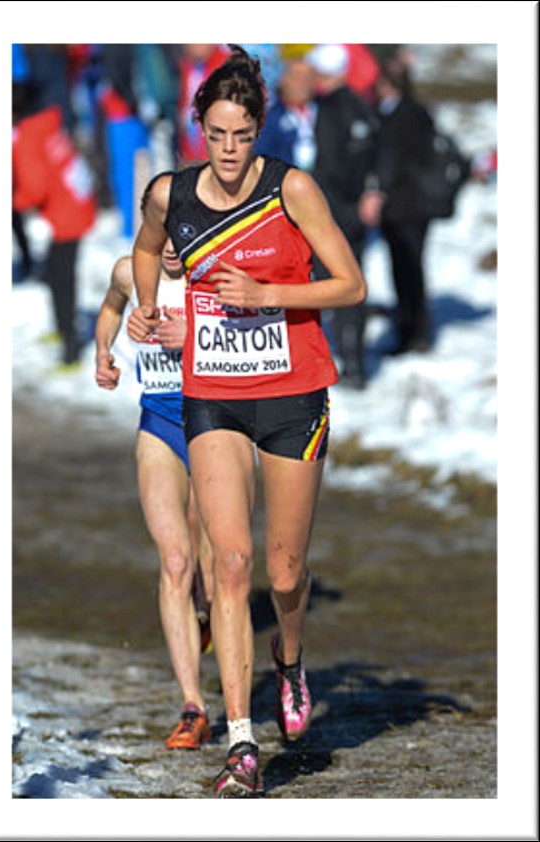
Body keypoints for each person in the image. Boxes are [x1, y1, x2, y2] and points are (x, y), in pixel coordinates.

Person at [128, 45, 367, 797]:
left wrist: (268, 295)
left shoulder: (290, 189)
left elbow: (351, 285)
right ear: (198, 127)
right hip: (215, 396)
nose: (229, 153)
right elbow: (144, 249)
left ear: (259, 130)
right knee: (227, 565)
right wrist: (146, 304)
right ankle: (240, 739)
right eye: (217, 135)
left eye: (242, 136)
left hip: (294, 395)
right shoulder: (173, 195)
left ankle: (289, 659)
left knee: (284, 572)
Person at [94, 225, 214, 750]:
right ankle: (193, 706)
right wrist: (105, 350)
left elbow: (261, 327)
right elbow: (109, 308)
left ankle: (208, 613)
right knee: (174, 561)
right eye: (157, 231)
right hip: (159, 420)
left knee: (214, 564)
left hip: (217, 422)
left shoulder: (211, 275)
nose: (169, 244)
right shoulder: (128, 271)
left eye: (180, 230)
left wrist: (196, 332)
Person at [306, 43, 380, 389]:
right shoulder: (361, 106)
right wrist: (371, 192)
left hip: (332, 213)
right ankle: (355, 365)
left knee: (328, 289)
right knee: (353, 286)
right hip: (353, 211)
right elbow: (376, 155)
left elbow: (330, 166)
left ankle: (335, 364)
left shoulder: (331, 110)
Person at [12, 81, 97, 367]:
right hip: (78, 200)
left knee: (62, 280)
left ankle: (70, 347)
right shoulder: (46, 122)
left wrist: (16, 202)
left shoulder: (26, 137)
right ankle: (63, 328)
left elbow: (34, 188)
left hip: (65, 216)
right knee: (54, 269)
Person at [360, 57, 440, 355]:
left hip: (411, 207)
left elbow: (407, 160)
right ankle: (408, 329)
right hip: (397, 208)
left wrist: (382, 189)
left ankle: (416, 332)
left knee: (410, 269)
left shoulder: (408, 114)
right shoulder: (389, 113)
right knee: (402, 269)